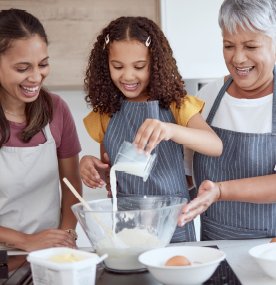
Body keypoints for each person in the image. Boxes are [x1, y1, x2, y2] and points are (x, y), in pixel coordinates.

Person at [79, 16, 223, 242]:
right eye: (117, 66)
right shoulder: (105, 114)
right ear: (105, 65)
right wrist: (89, 165)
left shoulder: (177, 105)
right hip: (127, 227)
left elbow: (215, 145)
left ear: (155, 64)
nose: (127, 76)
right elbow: (112, 177)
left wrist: (171, 130)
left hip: (173, 225)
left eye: (139, 66)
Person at [0, 9, 82, 251]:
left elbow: (71, 184)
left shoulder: (56, 109)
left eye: (43, 64)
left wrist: (67, 236)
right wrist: (26, 242)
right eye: (23, 68)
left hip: (48, 256)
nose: (36, 77)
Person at [179, 0, 276, 240]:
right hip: (213, 251)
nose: (239, 59)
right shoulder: (206, 98)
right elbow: (187, 177)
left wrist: (220, 190)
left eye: (251, 46)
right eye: (229, 45)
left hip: (270, 255)